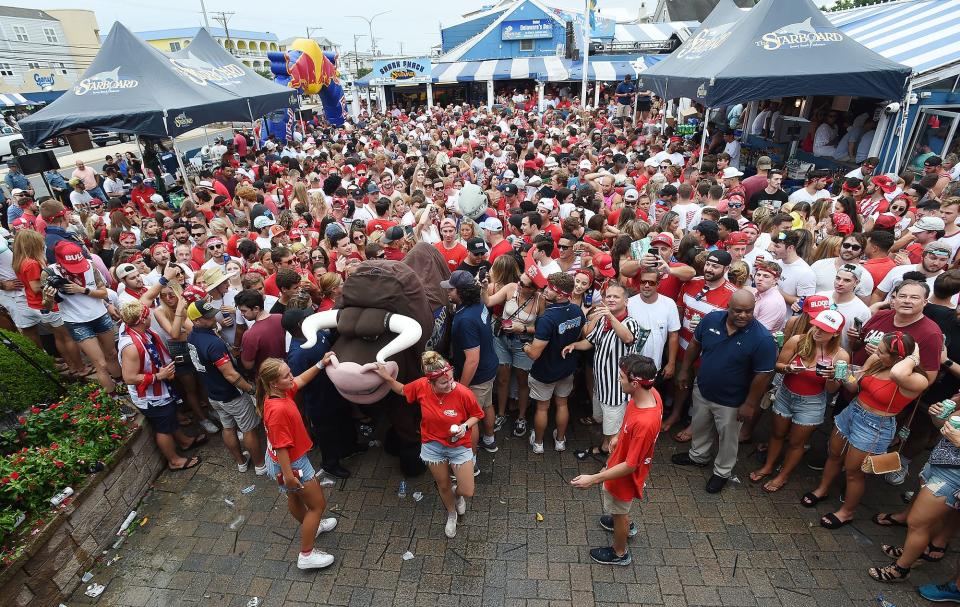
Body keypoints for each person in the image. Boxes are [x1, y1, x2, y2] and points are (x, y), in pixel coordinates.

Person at [802, 331, 929, 529]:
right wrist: (842, 376)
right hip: (853, 412)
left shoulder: (916, 379)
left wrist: (914, 357)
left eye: (882, 352)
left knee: (854, 472)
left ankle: (847, 513)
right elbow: (854, 388)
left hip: (875, 425)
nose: (876, 353)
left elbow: (896, 374)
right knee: (834, 454)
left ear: (901, 358)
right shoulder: (875, 360)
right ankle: (822, 489)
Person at [672, 290, 777, 493]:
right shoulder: (711, 319)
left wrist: (750, 404)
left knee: (728, 438)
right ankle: (698, 456)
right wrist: (684, 370)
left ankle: (722, 472)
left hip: (733, 400)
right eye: (738, 311)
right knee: (700, 425)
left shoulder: (762, 338)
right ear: (728, 307)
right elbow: (695, 344)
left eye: (749, 311)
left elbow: (763, 375)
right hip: (703, 388)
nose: (743, 316)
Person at [374, 351, 484, 539]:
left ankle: (458, 496)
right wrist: (386, 378)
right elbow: (402, 390)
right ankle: (451, 514)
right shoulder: (421, 387)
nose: (450, 385)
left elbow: (477, 414)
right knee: (443, 485)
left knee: (468, 490)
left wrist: (464, 426)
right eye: (443, 383)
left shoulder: (463, 392)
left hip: (459, 446)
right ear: (430, 382)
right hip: (433, 446)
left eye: (450, 379)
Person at [570, 354, 662, 566]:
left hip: (624, 476)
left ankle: (620, 552)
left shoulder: (645, 423)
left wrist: (593, 478)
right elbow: (630, 421)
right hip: (619, 463)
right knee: (619, 510)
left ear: (636, 383)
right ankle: (621, 522)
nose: (618, 380)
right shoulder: (651, 394)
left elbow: (630, 465)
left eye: (621, 377)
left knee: (620, 512)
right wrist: (619, 435)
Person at [750, 310, 848, 493]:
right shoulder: (798, 340)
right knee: (777, 434)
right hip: (786, 393)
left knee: (797, 442)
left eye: (824, 330)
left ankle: (783, 475)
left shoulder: (840, 357)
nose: (817, 331)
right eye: (816, 326)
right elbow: (778, 366)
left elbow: (832, 390)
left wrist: (832, 377)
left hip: (812, 402)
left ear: (835, 333)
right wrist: (788, 368)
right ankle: (768, 466)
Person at [256, 357, 339, 570]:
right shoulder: (279, 410)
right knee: (317, 505)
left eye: (289, 372)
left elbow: (301, 380)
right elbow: (282, 446)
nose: (291, 377)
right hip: (293, 464)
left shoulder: (276, 393)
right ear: (274, 382)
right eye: (286, 376)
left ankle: (313, 527)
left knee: (293, 495)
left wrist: (320, 363)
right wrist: (290, 476)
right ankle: (306, 554)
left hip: (283, 462)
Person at [867, 399, 960, 584]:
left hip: (953, 476)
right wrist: (937, 417)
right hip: (939, 460)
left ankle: (901, 569)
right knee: (926, 520)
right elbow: (946, 426)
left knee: (917, 522)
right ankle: (913, 552)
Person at [117, 300, 203, 471]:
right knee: (163, 427)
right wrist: (159, 376)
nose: (150, 317)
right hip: (151, 395)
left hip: (161, 388)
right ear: (141, 320)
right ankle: (174, 460)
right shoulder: (131, 347)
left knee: (170, 416)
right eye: (147, 315)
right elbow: (129, 377)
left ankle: (184, 442)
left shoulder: (142, 331)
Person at [186, 299, 267, 475]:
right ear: (196, 320)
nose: (213, 318)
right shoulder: (212, 343)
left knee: (228, 428)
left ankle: (241, 462)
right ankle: (260, 465)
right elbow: (230, 374)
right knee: (249, 429)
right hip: (232, 395)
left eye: (212, 314)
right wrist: (251, 389)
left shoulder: (192, 337)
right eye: (207, 317)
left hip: (214, 394)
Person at [564, 282, 641, 458]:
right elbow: (590, 341)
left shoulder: (630, 322)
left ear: (626, 301)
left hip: (616, 390)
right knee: (604, 421)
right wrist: (574, 345)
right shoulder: (603, 321)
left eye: (616, 296)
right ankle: (606, 447)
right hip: (601, 385)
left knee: (614, 427)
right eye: (608, 296)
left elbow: (628, 337)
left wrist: (610, 316)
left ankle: (613, 460)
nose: (611, 299)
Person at [523, 272, 585, 454]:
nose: (545, 289)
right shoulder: (576, 310)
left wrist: (526, 346)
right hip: (566, 369)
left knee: (542, 407)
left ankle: (539, 444)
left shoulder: (547, 319)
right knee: (562, 404)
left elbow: (534, 354)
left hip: (545, 371)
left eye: (549, 288)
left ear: (559, 294)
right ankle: (560, 442)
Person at [442, 270, 499, 453]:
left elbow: (472, 360)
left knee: (469, 418)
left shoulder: (465, 320)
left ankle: (471, 460)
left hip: (477, 376)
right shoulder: (479, 303)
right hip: (489, 367)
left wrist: (462, 387)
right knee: (487, 404)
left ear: (461, 292)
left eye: (451, 289)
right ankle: (489, 440)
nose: (448, 292)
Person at [625, 268, 680, 378]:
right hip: (630, 365)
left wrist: (671, 363)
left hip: (656, 366)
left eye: (651, 282)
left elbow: (673, 335)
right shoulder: (628, 303)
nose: (646, 285)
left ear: (658, 285)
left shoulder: (669, 304)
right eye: (643, 282)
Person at [238, 289, 287, 375]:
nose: (241, 314)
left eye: (244, 311)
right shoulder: (281, 318)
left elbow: (248, 365)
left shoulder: (250, 335)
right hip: (286, 371)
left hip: (267, 378)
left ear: (256, 308)